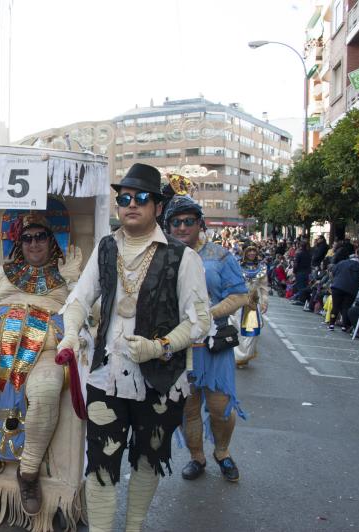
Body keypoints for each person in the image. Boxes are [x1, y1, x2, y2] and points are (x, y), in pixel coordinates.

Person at [60, 163, 210, 532]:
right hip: (105, 375)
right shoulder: (106, 248)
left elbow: (199, 321)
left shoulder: (182, 257)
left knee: (147, 459)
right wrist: (68, 333)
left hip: (160, 379)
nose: (131, 204)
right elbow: (80, 299)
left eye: (141, 198)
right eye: (124, 197)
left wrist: (159, 347)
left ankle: (135, 526)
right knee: (100, 459)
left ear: (158, 207)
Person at [0, 211, 82, 516]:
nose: (34, 243)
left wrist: (75, 280)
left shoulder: (68, 271)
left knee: (47, 389)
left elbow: (89, 310)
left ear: (53, 240)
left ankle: (29, 472)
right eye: (27, 238)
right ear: (18, 242)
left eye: (41, 237)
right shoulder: (2, 272)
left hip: (47, 351)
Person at [162, 190, 248, 484]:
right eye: (175, 222)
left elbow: (240, 295)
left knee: (219, 406)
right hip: (180, 345)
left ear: (200, 224)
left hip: (213, 344)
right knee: (188, 408)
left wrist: (209, 313)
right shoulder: (163, 256)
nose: (182, 227)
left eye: (188, 221)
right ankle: (196, 457)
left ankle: (222, 452)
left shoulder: (220, 256)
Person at [232, 245, 270, 367]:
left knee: (251, 332)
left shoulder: (261, 268)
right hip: (239, 301)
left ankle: (245, 355)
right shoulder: (237, 265)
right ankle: (237, 356)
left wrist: (264, 302)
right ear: (245, 253)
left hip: (252, 304)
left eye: (254, 251)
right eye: (250, 251)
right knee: (237, 330)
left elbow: (264, 287)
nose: (252, 253)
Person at [329, 253, 359, 331]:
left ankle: (331, 325)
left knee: (335, 306)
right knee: (346, 307)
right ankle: (344, 326)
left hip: (337, 287)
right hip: (351, 289)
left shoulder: (342, 262)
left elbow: (333, 272)